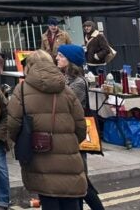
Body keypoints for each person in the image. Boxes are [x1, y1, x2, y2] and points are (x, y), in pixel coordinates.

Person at [7, 50, 87, 210]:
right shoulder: (66, 89)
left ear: (29, 66)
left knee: (48, 199)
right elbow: (81, 126)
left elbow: (12, 125)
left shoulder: (21, 90)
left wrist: (24, 141)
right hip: (68, 155)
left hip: (39, 154)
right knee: (70, 199)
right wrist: (68, 142)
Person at [57, 44, 105, 210]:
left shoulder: (77, 83)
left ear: (70, 61)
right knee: (78, 180)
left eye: (61, 56)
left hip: (76, 134)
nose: (57, 58)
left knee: (81, 180)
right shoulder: (64, 78)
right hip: (68, 134)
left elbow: (67, 106)